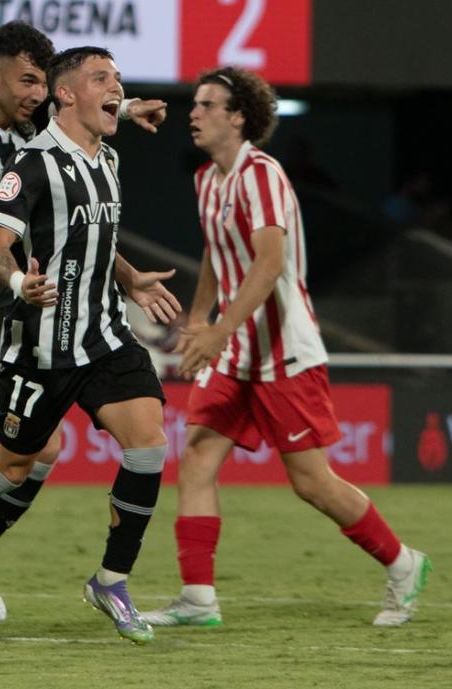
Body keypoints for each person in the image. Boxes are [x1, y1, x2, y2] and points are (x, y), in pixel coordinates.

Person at [0, 47, 182, 645]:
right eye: (102, 79)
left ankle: (111, 579)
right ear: (67, 94)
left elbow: (92, 237)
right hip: (38, 349)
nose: (117, 87)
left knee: (150, 446)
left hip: (104, 339)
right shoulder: (26, 165)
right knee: (9, 467)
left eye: (119, 79)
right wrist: (15, 282)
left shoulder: (108, 160)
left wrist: (129, 280)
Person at [139, 66, 430, 629]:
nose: (193, 113)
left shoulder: (261, 175)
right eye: (194, 104)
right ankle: (198, 597)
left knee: (310, 482)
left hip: (283, 352)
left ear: (238, 116)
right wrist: (199, 319)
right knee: (196, 458)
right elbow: (218, 261)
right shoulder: (208, 181)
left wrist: (220, 330)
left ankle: (403, 562)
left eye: (207, 104)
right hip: (236, 353)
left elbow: (269, 264)